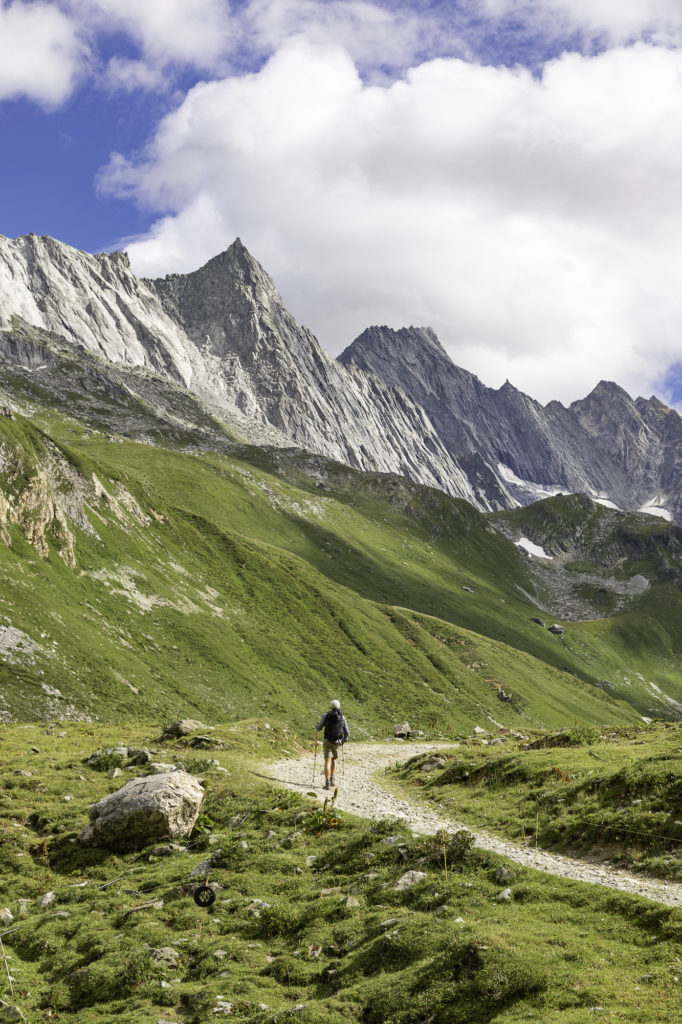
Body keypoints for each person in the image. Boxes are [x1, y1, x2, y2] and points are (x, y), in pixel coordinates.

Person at [315, 699, 349, 790]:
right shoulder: (342, 717)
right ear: (339, 707)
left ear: (331, 706)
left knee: (327, 761)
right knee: (334, 760)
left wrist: (316, 726)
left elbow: (319, 728)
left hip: (327, 741)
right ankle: (333, 779)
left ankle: (327, 783)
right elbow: (347, 732)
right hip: (337, 742)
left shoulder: (326, 716)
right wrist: (344, 740)